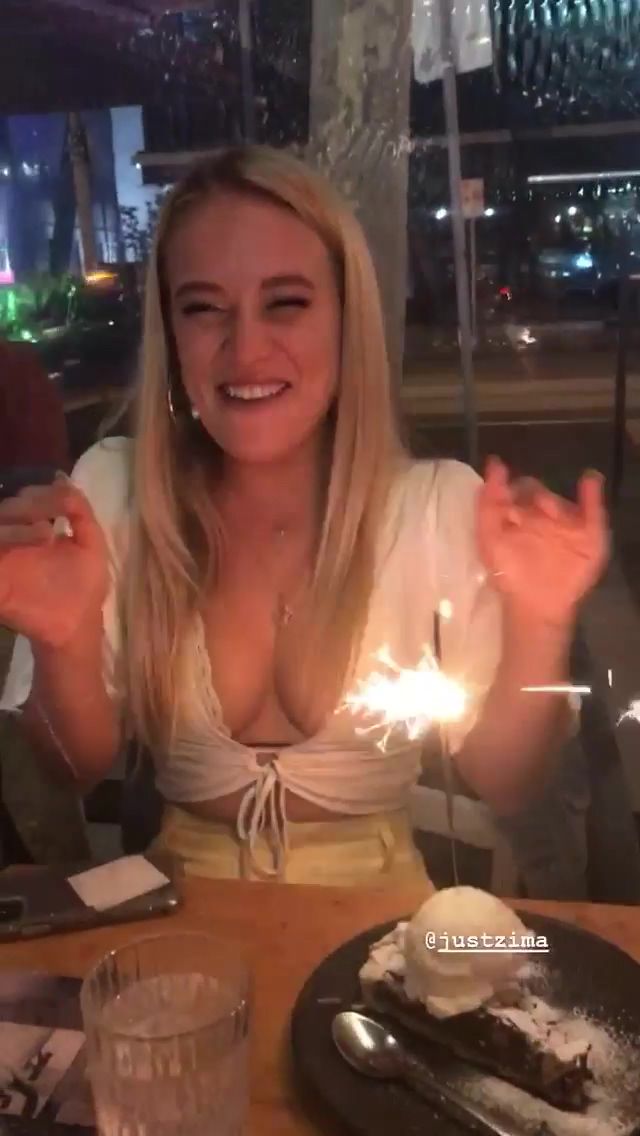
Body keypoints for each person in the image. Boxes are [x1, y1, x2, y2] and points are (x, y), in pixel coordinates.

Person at [0, 146, 607, 887]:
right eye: (203, 309)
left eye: (285, 302)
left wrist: (541, 621)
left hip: (385, 932)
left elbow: (507, 783)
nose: (246, 349)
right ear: (170, 333)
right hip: (177, 920)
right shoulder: (115, 493)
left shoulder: (436, 508)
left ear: (348, 319)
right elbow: (72, 769)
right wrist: (63, 640)